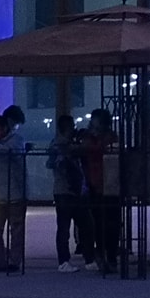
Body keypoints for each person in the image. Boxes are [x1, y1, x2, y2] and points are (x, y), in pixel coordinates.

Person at [0, 112, 29, 273]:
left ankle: (14, 262)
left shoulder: (16, 141)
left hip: (16, 194)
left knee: (16, 230)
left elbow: (9, 151)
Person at [47, 114, 92, 271]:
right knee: (70, 226)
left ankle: (81, 259)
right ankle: (66, 260)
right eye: (71, 126)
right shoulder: (61, 145)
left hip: (69, 190)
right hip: (65, 190)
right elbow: (54, 163)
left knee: (80, 226)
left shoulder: (60, 144)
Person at [82, 109, 122, 271]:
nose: (92, 122)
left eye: (95, 119)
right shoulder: (93, 137)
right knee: (99, 223)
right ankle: (103, 255)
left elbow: (96, 151)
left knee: (109, 223)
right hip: (97, 183)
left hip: (108, 184)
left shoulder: (107, 137)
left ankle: (109, 256)